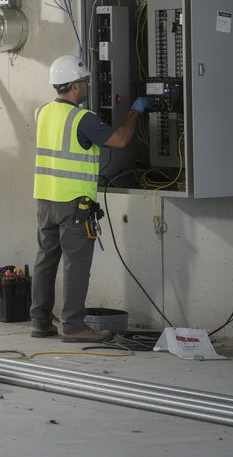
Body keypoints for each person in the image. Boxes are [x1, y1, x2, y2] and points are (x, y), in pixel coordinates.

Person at [30, 55, 151, 342]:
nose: (87, 86)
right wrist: (134, 112)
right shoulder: (84, 119)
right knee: (77, 263)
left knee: (45, 261)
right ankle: (73, 327)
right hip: (74, 204)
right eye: (84, 82)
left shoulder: (43, 112)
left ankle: (40, 321)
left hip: (45, 199)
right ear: (74, 85)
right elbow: (120, 140)